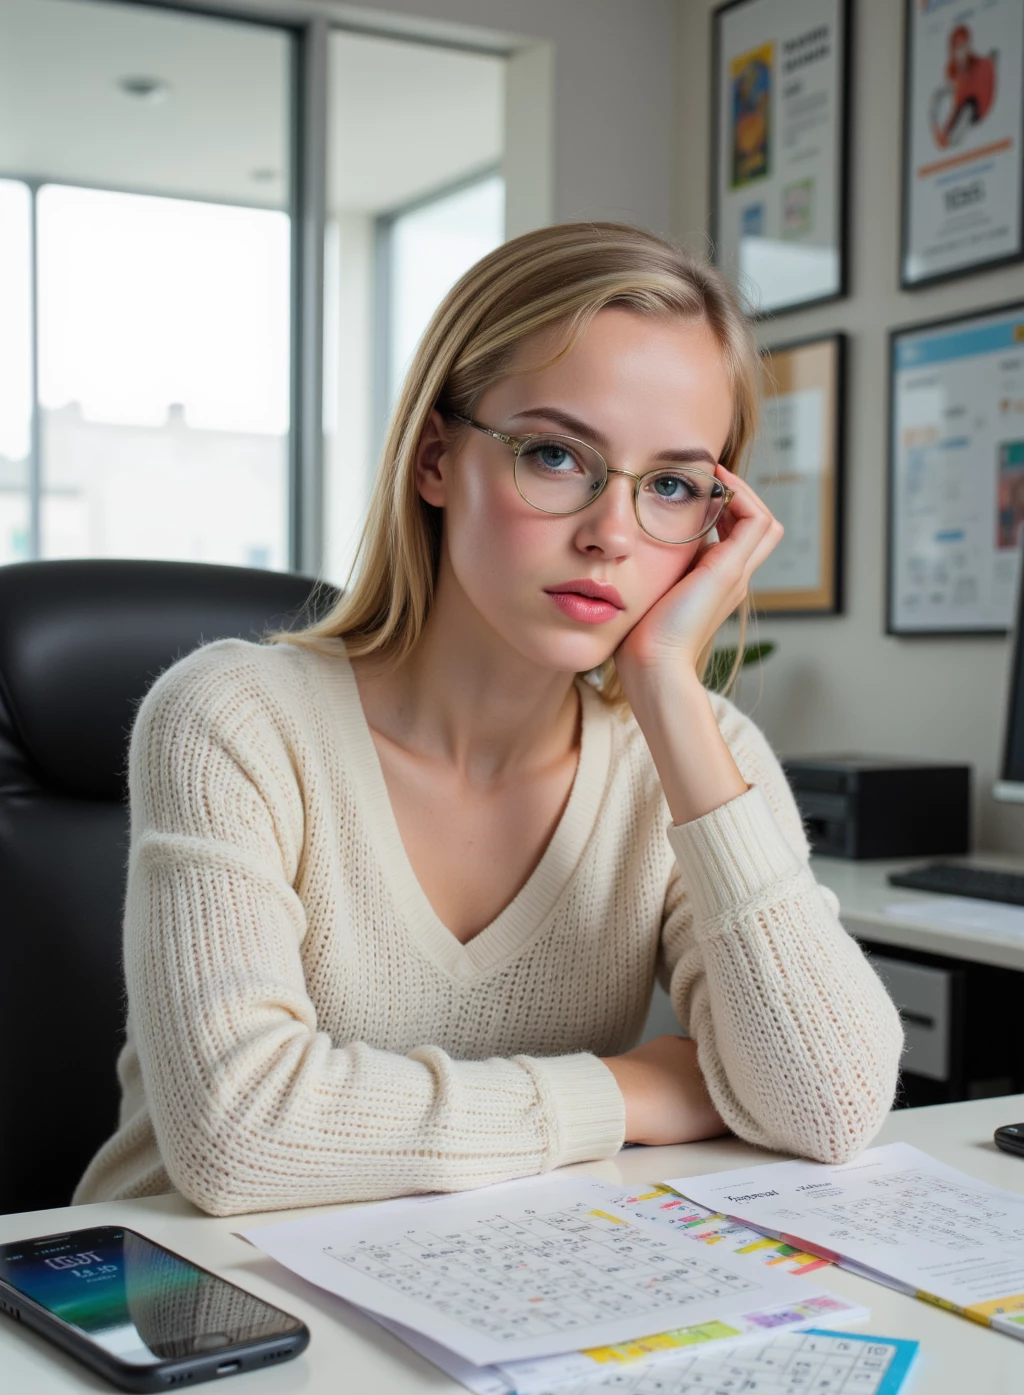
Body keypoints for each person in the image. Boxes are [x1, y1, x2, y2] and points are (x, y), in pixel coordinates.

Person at [74, 222, 903, 1217]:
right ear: (434, 460)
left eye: (673, 486)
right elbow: (238, 1135)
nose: (610, 534)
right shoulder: (234, 719)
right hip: (183, 1309)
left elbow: (832, 1104)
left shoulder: (694, 751)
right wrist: (631, 1088)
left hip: (490, 1287)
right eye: (556, 456)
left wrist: (671, 693)